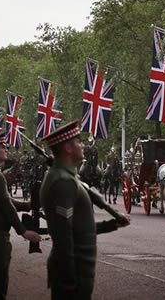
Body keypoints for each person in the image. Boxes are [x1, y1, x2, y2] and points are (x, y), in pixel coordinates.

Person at [40, 120, 130, 300]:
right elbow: (64, 234)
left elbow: (79, 229)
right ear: (67, 148)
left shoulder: (67, 177)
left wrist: (111, 225)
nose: (82, 145)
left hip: (79, 267)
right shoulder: (63, 182)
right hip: (74, 270)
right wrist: (69, 278)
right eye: (78, 141)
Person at [0, 130, 42, 300]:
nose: (6, 149)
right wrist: (23, 231)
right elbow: (6, 206)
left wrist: (28, 205)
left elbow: (5, 200)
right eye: (3, 147)